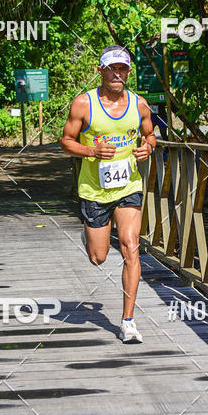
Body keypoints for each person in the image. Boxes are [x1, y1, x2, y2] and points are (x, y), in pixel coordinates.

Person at [61, 46, 157, 343]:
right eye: (112, 68)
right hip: (94, 190)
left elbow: (150, 133)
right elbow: (65, 141)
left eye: (124, 69)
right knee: (98, 257)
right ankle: (91, 234)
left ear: (129, 72)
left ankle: (128, 321)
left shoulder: (139, 104)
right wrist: (91, 150)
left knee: (131, 247)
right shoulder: (83, 104)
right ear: (100, 70)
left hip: (129, 186)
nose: (118, 74)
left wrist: (148, 147)